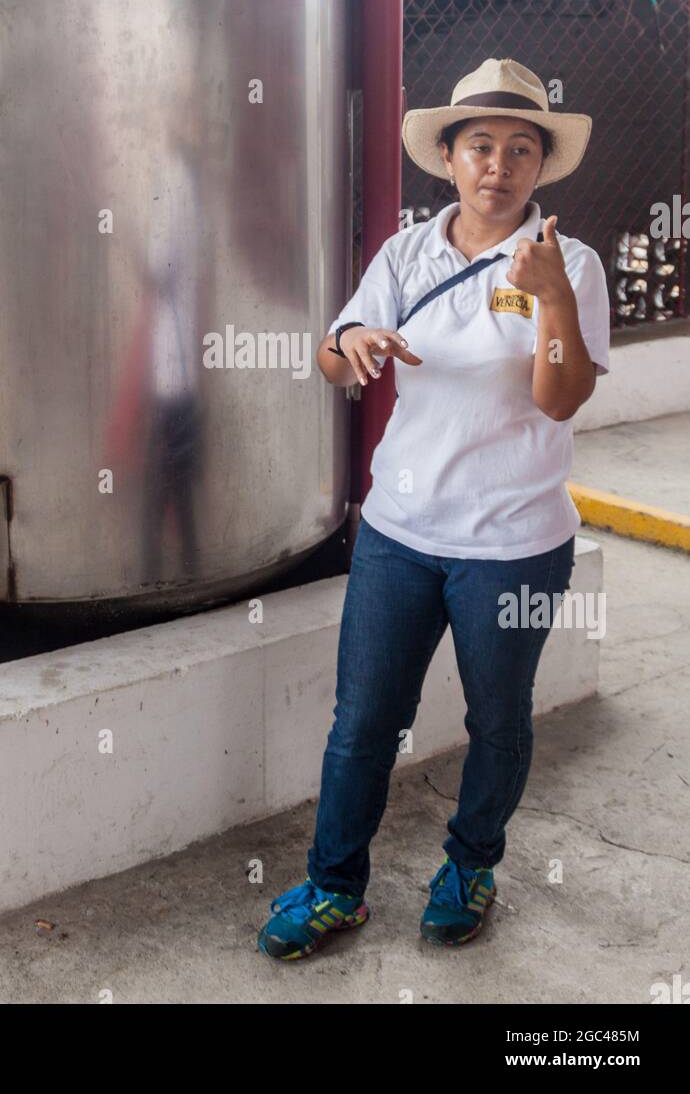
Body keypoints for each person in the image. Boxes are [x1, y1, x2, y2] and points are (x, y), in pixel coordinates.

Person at [257, 57, 611, 959]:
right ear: (448, 157)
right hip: (399, 535)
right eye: (480, 145)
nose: (499, 165)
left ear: (541, 165)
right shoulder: (405, 253)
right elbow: (333, 359)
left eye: (520, 149)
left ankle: (470, 866)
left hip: (515, 544)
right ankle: (336, 885)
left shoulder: (570, 263)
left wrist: (554, 298)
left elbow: (560, 401)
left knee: (497, 718)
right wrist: (355, 342)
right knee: (364, 719)